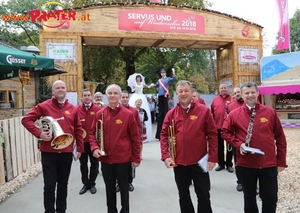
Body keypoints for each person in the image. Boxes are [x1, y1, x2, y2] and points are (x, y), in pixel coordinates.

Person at [221, 81, 287, 213]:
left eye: (252, 92)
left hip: (268, 164)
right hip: (246, 164)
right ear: (242, 95)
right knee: (249, 198)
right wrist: (238, 144)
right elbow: (224, 132)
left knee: (270, 198)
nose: (250, 95)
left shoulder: (270, 112)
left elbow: (280, 138)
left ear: (257, 93)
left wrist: (281, 162)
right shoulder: (234, 114)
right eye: (247, 93)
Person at [21, 80, 84, 213]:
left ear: (66, 90)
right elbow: (26, 120)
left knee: (63, 185)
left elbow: (78, 129)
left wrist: (80, 148)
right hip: (48, 152)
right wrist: (39, 134)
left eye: (63, 87)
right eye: (57, 88)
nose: (60, 90)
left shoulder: (73, 108)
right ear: (53, 91)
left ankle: (61, 210)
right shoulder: (44, 106)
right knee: (49, 186)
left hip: (66, 152)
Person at [160, 80, 218, 213]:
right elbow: (163, 135)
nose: (184, 93)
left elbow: (213, 135)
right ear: (176, 94)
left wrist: (213, 158)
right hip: (179, 163)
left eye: (186, 91)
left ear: (192, 93)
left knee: (203, 195)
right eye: (181, 91)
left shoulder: (203, 111)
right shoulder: (171, 114)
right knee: (183, 195)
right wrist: (166, 156)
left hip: (199, 162)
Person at [89, 84, 141, 213]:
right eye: (110, 93)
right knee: (109, 190)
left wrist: (136, 158)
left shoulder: (128, 114)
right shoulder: (99, 114)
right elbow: (91, 133)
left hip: (123, 160)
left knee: (124, 190)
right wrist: (95, 147)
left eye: (115, 93)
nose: (112, 95)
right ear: (107, 96)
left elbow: (135, 138)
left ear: (119, 96)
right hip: (106, 160)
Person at [115, 90, 142, 193]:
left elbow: (138, 127)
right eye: (123, 97)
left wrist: (138, 142)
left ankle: (129, 182)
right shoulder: (116, 110)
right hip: (120, 141)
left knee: (131, 164)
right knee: (119, 164)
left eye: (126, 97)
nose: (125, 99)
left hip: (131, 142)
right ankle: (119, 183)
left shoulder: (134, 111)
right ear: (120, 98)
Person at [76, 89, 101, 195]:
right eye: (85, 95)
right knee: (83, 164)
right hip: (82, 141)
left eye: (88, 95)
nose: (87, 97)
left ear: (91, 97)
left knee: (94, 163)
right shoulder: (76, 109)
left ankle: (92, 183)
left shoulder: (97, 109)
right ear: (82, 97)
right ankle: (85, 184)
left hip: (93, 142)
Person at [211, 83, 233, 173]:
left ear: (227, 89)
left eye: (225, 88)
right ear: (219, 89)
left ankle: (229, 164)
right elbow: (212, 113)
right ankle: (221, 164)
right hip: (218, 127)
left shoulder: (232, 99)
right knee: (219, 147)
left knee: (229, 147)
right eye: (221, 88)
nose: (223, 89)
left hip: (229, 127)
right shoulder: (215, 100)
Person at [150, 68, 176, 140]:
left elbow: (174, 79)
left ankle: (166, 119)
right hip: (160, 95)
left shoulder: (167, 79)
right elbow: (156, 85)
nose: (163, 74)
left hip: (165, 95)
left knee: (165, 111)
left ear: (165, 73)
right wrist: (152, 85)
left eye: (164, 73)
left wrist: (173, 72)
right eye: (162, 73)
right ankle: (159, 134)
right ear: (161, 74)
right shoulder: (159, 80)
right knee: (161, 113)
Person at [228, 86, 244, 192]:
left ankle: (253, 184)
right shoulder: (230, 107)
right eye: (235, 93)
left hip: (250, 138)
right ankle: (240, 182)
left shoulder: (250, 104)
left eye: (239, 92)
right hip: (237, 139)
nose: (237, 94)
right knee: (238, 161)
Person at [128, 75, 153, 142]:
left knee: (144, 109)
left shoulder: (142, 84)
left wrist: (151, 85)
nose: (138, 79)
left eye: (139, 78)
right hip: (135, 95)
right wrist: (134, 87)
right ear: (136, 79)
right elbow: (132, 90)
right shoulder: (134, 84)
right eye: (137, 78)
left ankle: (145, 135)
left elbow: (147, 87)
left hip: (141, 95)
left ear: (140, 79)